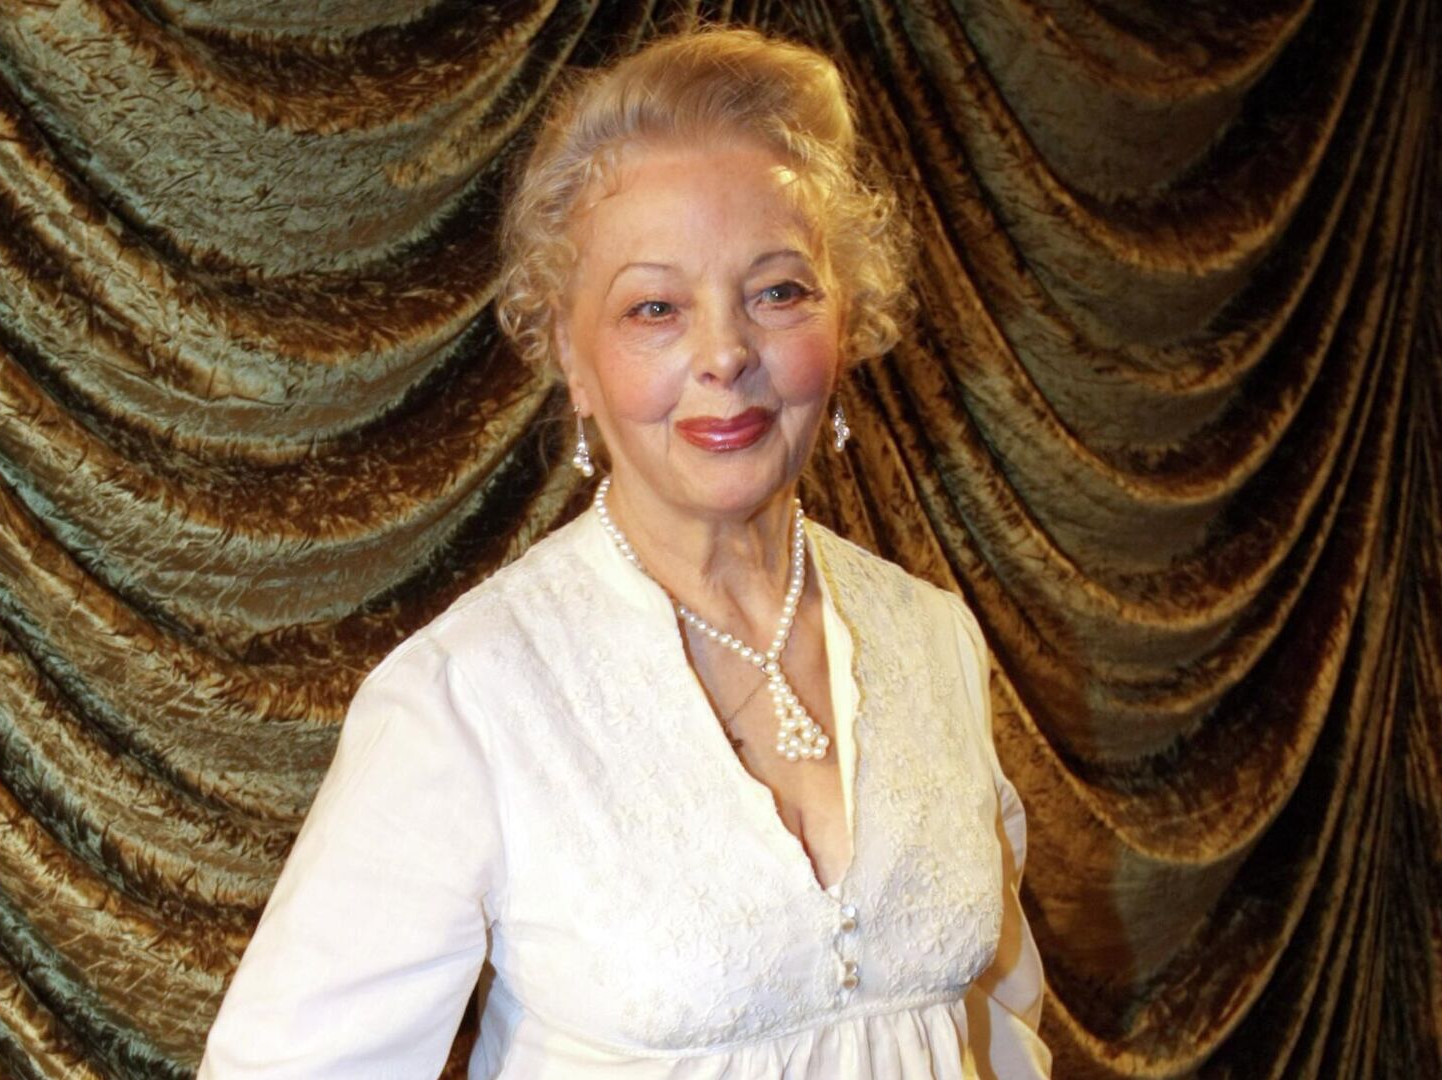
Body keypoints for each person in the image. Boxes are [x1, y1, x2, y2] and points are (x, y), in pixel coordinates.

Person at [199, 25, 1052, 1079]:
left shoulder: (932, 639)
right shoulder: (471, 695)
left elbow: (1000, 1030)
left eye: (779, 291)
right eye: (655, 308)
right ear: (572, 352)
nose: (726, 354)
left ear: (847, 315)